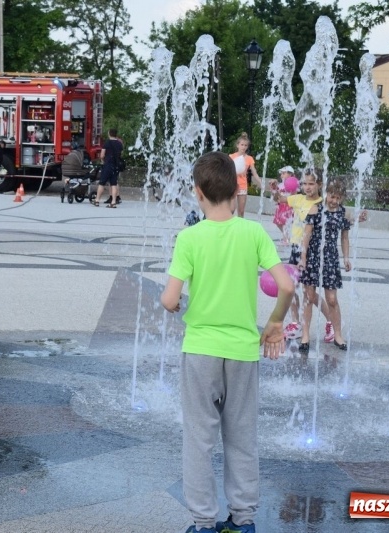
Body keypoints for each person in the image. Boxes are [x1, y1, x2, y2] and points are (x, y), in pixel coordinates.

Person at [160, 151, 294, 533]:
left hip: (201, 351)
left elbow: (170, 299)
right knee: (241, 439)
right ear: (237, 190)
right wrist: (274, 324)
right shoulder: (252, 233)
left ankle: (203, 524)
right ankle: (243, 521)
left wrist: (174, 306)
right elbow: (285, 285)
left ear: (198, 192)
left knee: (199, 441)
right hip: (242, 352)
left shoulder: (190, 237)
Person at [297, 180, 354, 353]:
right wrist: (303, 257)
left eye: (338, 198)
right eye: (331, 196)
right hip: (313, 257)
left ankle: (338, 334)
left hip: (330, 258)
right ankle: (305, 335)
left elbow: (344, 238)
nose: (334, 200)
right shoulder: (316, 209)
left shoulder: (343, 213)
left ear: (342, 198)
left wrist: (345, 258)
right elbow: (306, 235)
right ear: (326, 194)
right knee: (309, 296)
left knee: (331, 299)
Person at [273, 169, 323, 341]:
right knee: (291, 286)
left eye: (311, 183)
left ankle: (331, 319)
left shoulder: (321, 204)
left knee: (310, 293)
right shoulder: (298, 198)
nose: (307, 187)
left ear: (319, 185)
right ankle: (295, 322)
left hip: (311, 251)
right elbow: (279, 200)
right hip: (296, 247)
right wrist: (274, 191)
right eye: (304, 183)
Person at [228, 132, 262, 218]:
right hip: (232, 184)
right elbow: (226, 170)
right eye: (242, 145)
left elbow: (254, 172)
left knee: (241, 211)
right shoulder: (231, 157)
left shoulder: (249, 159)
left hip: (242, 185)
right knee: (231, 209)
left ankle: (240, 228)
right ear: (237, 145)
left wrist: (261, 183)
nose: (243, 147)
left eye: (245, 145)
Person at [93, 128, 122, 208]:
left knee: (102, 183)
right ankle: (113, 202)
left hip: (107, 165)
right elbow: (120, 155)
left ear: (109, 134)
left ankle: (97, 200)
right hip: (115, 166)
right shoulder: (119, 144)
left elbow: (102, 155)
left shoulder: (107, 143)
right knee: (114, 184)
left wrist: (102, 160)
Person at [272, 166, 297, 244]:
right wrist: (274, 187)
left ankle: (286, 237)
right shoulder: (281, 185)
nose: (281, 175)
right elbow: (276, 195)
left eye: (283, 173)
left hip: (288, 206)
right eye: (281, 174)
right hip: (280, 206)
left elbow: (294, 195)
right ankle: (285, 235)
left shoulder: (293, 184)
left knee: (286, 222)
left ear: (290, 174)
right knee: (278, 222)